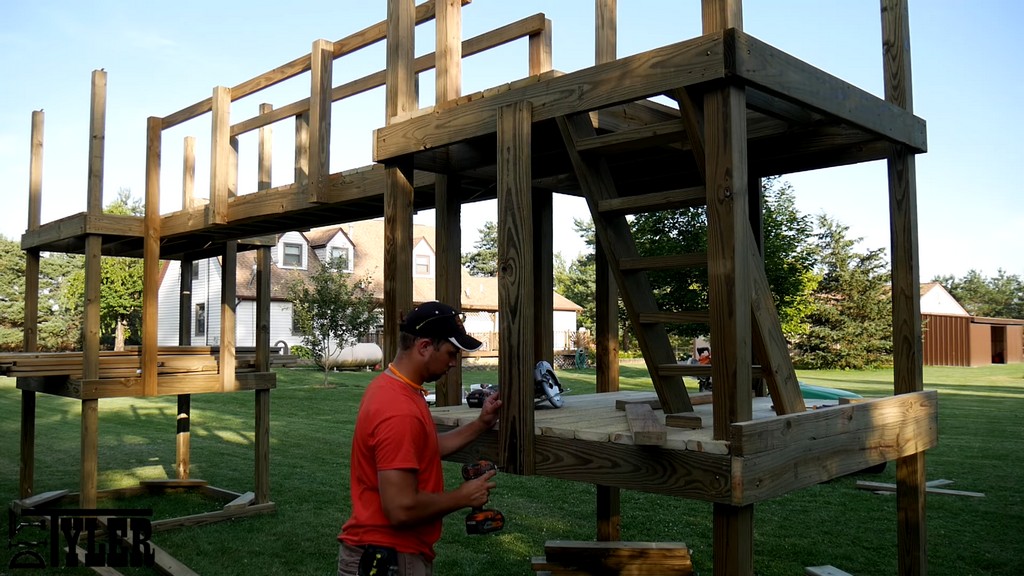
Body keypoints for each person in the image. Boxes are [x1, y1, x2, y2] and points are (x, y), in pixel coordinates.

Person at [337, 301, 502, 576]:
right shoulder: (398, 410)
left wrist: (481, 423)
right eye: (451, 353)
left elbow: (425, 448)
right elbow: (400, 508)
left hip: (389, 552)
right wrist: (461, 497)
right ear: (424, 347)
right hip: (388, 559)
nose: (453, 362)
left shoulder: (396, 389)